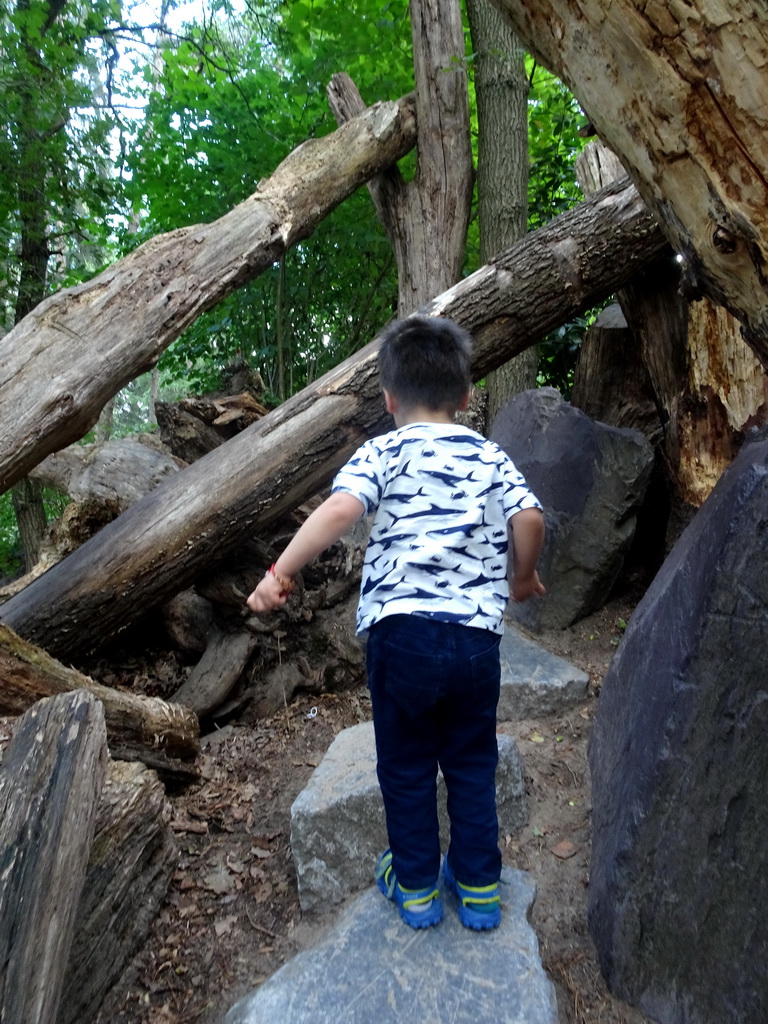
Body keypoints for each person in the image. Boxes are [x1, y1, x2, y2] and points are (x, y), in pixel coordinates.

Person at [247, 315, 545, 932]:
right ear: (466, 398)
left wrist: (280, 572)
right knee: (470, 761)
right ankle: (480, 887)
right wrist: (521, 578)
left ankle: (415, 887)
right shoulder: (491, 455)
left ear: (387, 399)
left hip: (401, 633)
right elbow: (530, 519)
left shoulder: (381, 451)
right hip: (475, 642)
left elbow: (339, 510)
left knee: (406, 764)